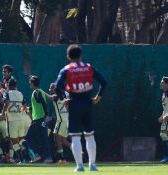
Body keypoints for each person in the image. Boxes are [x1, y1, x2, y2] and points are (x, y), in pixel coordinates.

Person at [55, 44, 107, 172]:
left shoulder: (66, 69)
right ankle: (92, 165)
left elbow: (57, 87)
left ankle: (79, 166)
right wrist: (97, 98)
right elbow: (104, 82)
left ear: (68, 56)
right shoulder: (89, 67)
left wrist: (64, 100)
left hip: (74, 104)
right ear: (81, 55)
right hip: (88, 103)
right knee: (90, 135)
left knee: (75, 136)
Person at [25, 75, 53, 163]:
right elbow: (39, 104)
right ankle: (48, 157)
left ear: (33, 83)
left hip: (38, 119)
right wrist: (30, 109)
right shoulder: (41, 91)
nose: (29, 83)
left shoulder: (36, 92)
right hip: (42, 119)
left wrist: (46, 115)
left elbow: (43, 102)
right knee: (44, 138)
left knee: (28, 137)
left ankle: (36, 155)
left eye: (30, 82)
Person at [0, 78, 27, 163]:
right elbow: (25, 106)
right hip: (21, 119)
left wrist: (3, 113)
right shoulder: (20, 93)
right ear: (15, 85)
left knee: (14, 141)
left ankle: (22, 160)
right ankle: (29, 150)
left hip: (12, 120)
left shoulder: (7, 93)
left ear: (8, 85)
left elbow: (6, 103)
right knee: (21, 140)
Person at [48, 83, 71, 163]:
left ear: (55, 88)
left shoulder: (57, 95)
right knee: (63, 140)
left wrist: (39, 90)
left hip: (62, 120)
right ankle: (79, 153)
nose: (50, 90)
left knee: (56, 137)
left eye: (51, 89)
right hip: (67, 119)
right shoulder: (66, 93)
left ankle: (61, 156)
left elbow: (49, 97)